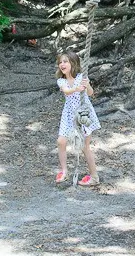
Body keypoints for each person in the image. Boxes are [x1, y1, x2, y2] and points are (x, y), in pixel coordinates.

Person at [54, 51, 101, 186]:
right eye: (60, 62)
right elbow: (66, 91)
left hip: (83, 115)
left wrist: (87, 85)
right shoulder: (61, 80)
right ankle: (64, 170)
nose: (62, 64)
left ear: (73, 64)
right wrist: (76, 88)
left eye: (65, 61)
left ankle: (94, 177)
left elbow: (91, 93)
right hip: (69, 115)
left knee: (85, 147)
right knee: (61, 141)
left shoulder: (81, 77)